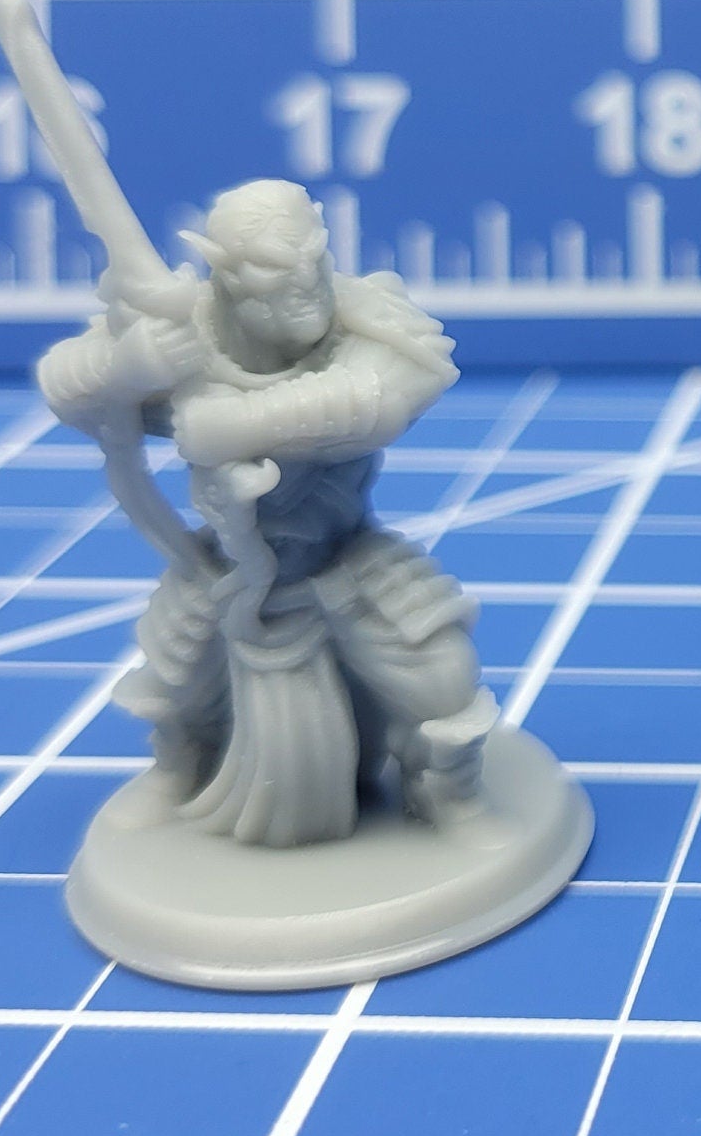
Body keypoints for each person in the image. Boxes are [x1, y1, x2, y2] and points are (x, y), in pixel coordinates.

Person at [35, 179, 495, 848]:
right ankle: (179, 769)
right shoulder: (182, 333)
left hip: (342, 552)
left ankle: (450, 795)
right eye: (277, 270)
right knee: (171, 680)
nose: (305, 282)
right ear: (224, 272)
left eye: (314, 257)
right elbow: (63, 384)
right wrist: (130, 366)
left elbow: (386, 395)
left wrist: (240, 423)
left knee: (444, 676)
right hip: (227, 565)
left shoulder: (363, 312)